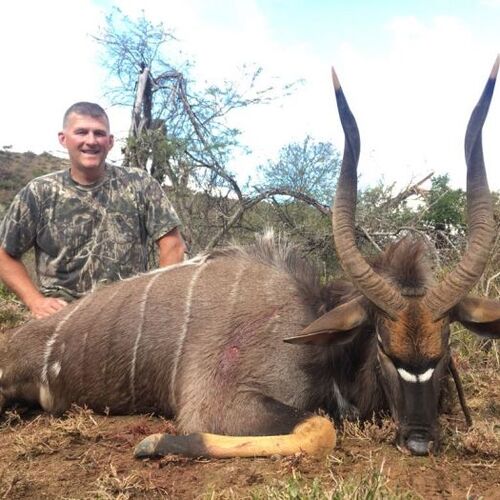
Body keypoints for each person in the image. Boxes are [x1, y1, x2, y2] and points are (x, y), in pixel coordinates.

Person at [0, 102, 186, 319]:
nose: (91, 141)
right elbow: (4, 254)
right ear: (63, 138)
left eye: (99, 133)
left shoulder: (140, 183)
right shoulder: (39, 192)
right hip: (62, 316)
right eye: (81, 132)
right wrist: (35, 301)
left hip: (126, 315)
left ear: (110, 141)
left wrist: (156, 301)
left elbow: (173, 245)